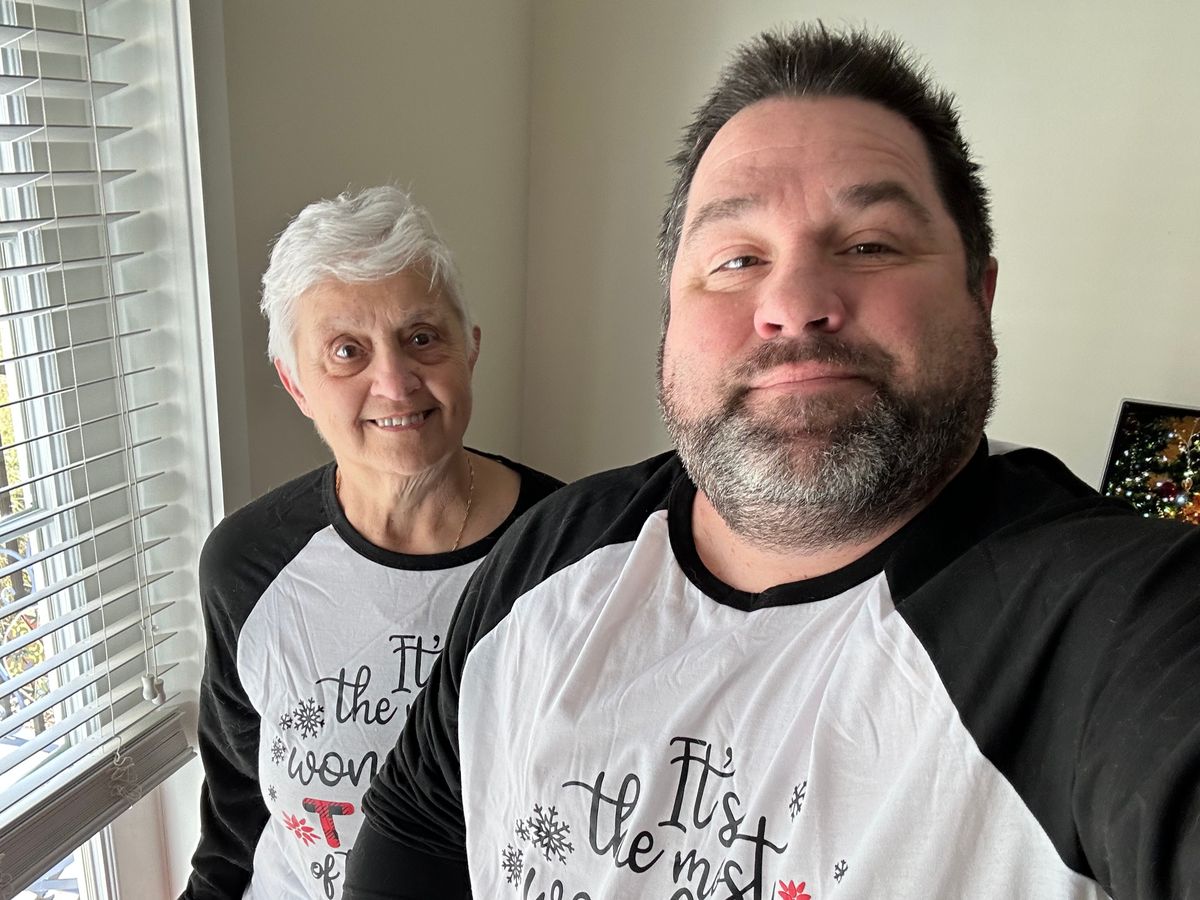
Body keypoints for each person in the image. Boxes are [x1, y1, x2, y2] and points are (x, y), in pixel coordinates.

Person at [344, 26, 1200, 900]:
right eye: (737, 259)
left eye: (869, 245)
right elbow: (422, 821)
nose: (793, 305)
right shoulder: (550, 551)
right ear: (671, 315)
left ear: (978, 295)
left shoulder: (1121, 625)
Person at [180, 186, 562, 900]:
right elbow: (235, 828)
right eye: (346, 351)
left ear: (471, 348)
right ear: (296, 384)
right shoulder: (246, 563)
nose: (394, 381)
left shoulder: (575, 550)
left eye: (422, 337)